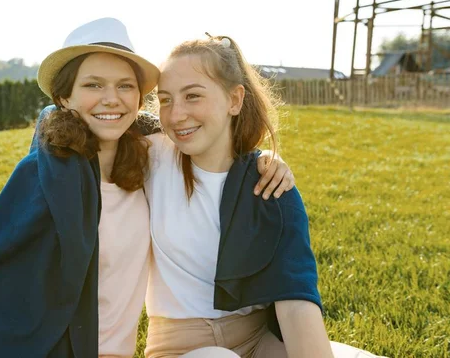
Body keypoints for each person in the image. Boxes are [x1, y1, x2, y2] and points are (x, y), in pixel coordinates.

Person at [0, 18, 292, 358]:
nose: (111, 99)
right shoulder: (44, 175)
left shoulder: (147, 156)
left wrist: (262, 159)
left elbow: (207, 135)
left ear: (139, 98)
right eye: (93, 85)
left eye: (125, 86)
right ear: (64, 97)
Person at [143, 35, 384, 358]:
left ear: (235, 100)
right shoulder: (151, 156)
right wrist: (49, 118)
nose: (175, 115)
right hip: (180, 347)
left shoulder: (269, 185)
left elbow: (295, 302)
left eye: (193, 96)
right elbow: (92, 122)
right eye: (166, 99)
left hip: (258, 341)